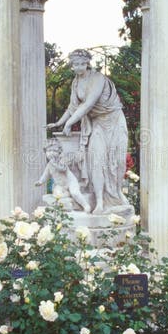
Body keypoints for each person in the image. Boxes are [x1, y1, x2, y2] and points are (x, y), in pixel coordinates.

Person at [48, 49, 129, 215]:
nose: (78, 67)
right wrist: (59, 122)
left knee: (118, 160)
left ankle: (118, 193)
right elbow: (73, 107)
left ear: (87, 63)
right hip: (98, 123)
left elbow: (87, 105)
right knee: (96, 160)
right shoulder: (76, 82)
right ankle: (99, 202)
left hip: (114, 120)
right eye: (75, 64)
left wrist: (69, 124)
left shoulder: (97, 78)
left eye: (81, 64)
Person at [35, 142, 91, 213]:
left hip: (70, 182)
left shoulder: (62, 161)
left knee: (75, 193)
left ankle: (85, 205)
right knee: (57, 195)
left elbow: (63, 169)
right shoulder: (49, 165)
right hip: (60, 185)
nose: (51, 153)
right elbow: (45, 175)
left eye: (54, 151)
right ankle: (68, 198)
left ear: (59, 152)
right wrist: (40, 182)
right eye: (49, 151)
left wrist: (54, 163)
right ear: (45, 153)